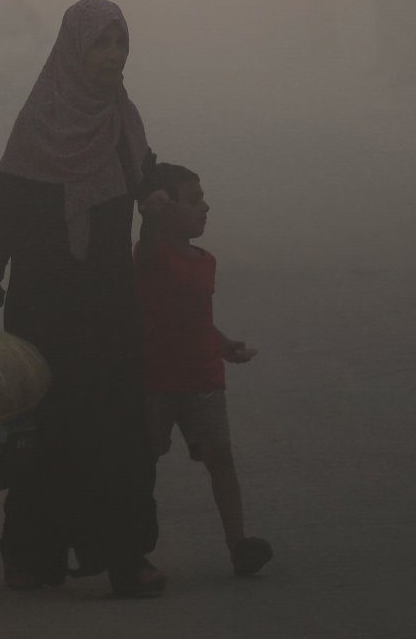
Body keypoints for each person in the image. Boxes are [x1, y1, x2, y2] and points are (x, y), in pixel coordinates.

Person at [0, 0, 166, 598]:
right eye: (100, 43)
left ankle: (127, 558)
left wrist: (169, 200)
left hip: (109, 300)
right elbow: (3, 213)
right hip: (45, 304)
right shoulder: (39, 122)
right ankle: (31, 556)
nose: (112, 55)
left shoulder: (123, 121)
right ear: (73, 49)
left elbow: (146, 178)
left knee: (119, 430)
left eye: (119, 43)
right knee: (45, 429)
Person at [135, 161, 273, 578]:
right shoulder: (151, 254)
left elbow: (195, 316)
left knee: (221, 459)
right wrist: (149, 210)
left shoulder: (204, 260)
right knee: (142, 463)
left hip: (203, 380)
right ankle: (133, 547)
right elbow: (149, 243)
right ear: (165, 209)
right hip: (155, 382)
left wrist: (222, 343)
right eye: (194, 201)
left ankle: (238, 544)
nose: (205, 208)